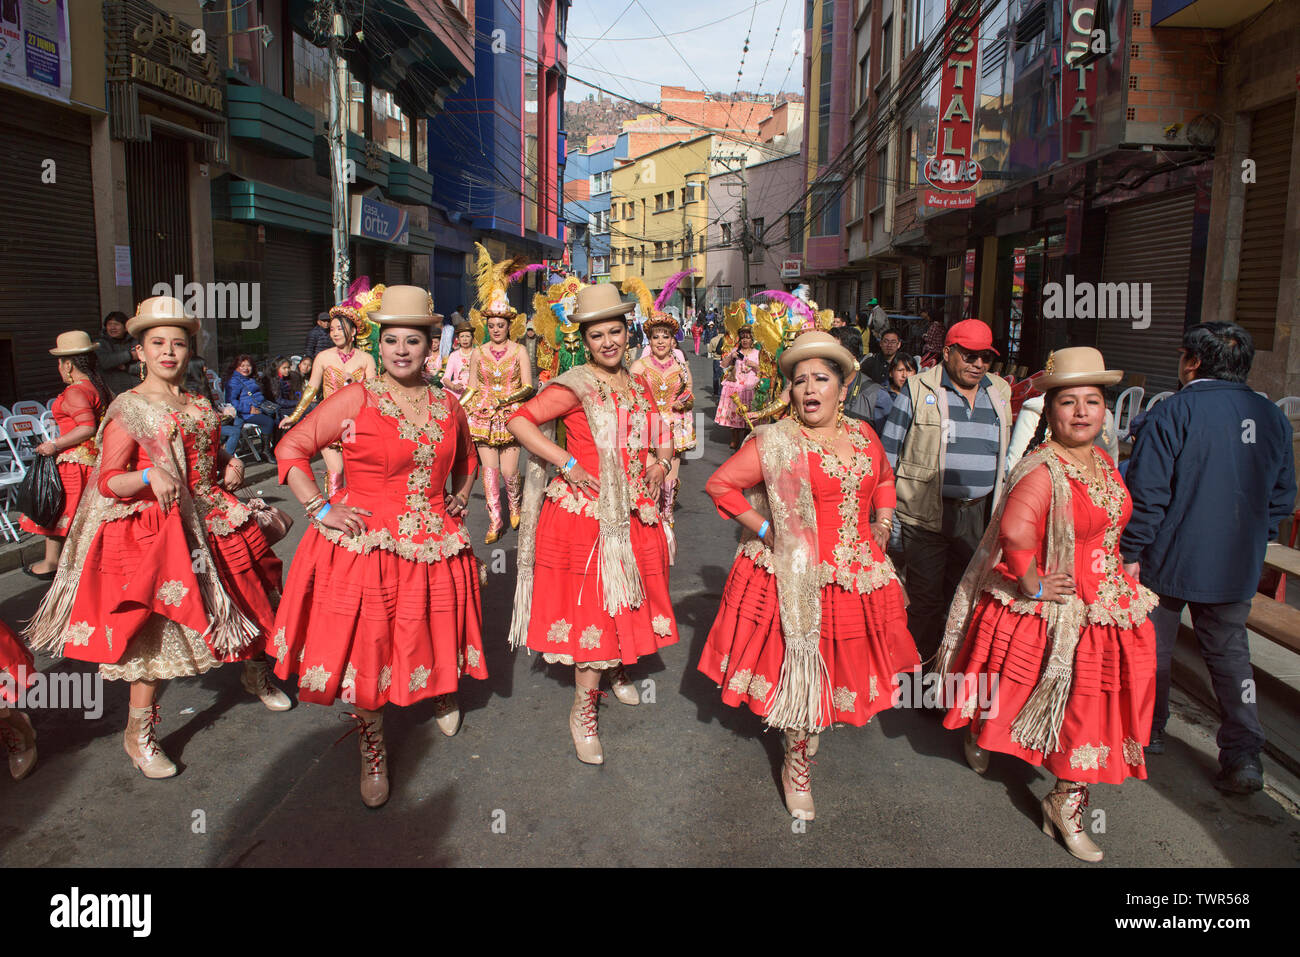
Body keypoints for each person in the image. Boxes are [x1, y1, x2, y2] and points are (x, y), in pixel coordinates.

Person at [25, 296, 290, 780]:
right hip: (164, 529)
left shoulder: (196, 401)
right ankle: (138, 733)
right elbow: (108, 480)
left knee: (250, 599)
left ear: (189, 352)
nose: (169, 352)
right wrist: (148, 477)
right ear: (139, 353)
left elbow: (205, 461)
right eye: (157, 344)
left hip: (215, 515)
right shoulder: (128, 407)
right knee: (156, 635)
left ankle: (255, 674)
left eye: (178, 344)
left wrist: (228, 465)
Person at [935, 347, 1156, 862]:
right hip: (1057, 602)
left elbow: (1111, 519)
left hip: (1105, 603)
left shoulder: (1103, 460)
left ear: (1105, 410)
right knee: (1031, 693)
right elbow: (1015, 530)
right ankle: (984, 736)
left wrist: (1117, 564)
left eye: (1093, 402)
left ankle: (1065, 800)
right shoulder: (1043, 467)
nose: (1081, 412)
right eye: (1069, 403)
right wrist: (1033, 585)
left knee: (1093, 706)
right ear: (1049, 412)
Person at [271, 286, 485, 808]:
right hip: (369, 543)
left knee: (432, 625)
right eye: (392, 340)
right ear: (379, 344)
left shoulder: (448, 404)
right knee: (372, 644)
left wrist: (458, 496)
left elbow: (469, 460)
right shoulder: (354, 398)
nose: (402, 350)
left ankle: (441, 689)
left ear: (431, 347)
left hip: (435, 542)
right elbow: (291, 449)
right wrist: (321, 507)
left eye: (414, 340)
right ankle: (373, 746)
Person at [700, 330, 917, 820]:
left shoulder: (863, 435)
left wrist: (883, 522)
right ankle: (795, 763)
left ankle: (809, 726)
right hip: (795, 578)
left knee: (835, 668)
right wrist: (767, 527)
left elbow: (884, 478)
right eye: (800, 381)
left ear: (844, 388)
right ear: (790, 392)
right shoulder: (776, 441)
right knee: (800, 671)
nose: (810, 389)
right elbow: (720, 484)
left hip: (856, 577)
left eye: (822, 378)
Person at [506, 282, 680, 765]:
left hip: (634, 512)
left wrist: (662, 464)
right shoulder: (574, 383)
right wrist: (565, 462)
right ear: (584, 341)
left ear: (629, 333)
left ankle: (618, 670)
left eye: (616, 331)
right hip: (587, 516)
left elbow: (661, 432)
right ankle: (583, 711)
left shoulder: (639, 382)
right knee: (596, 612)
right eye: (597, 334)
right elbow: (520, 421)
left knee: (627, 601)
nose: (608, 341)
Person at [1121, 322, 1296, 794]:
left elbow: (1147, 495)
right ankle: (1244, 756)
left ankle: (1147, 732)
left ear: (1193, 362)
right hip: (1236, 566)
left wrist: (1131, 551)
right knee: (1231, 658)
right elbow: (1282, 499)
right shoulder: (1272, 417)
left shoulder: (1172, 412)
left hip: (1168, 560)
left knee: (1152, 652)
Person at [881, 318, 1013, 660]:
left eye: (985, 357)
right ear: (948, 352)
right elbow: (887, 455)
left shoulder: (999, 391)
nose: (979, 364)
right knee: (926, 600)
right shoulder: (917, 388)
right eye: (969, 356)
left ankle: (948, 676)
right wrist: (885, 517)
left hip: (977, 515)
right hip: (924, 514)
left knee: (964, 597)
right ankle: (916, 676)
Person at [20, 331, 110, 579]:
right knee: (80, 516)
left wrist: (55, 444)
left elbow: (86, 427)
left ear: (68, 364)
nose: (59, 368)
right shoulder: (97, 387)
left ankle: (53, 563)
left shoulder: (75, 391)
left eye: (60, 363)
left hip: (74, 462)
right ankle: (61, 562)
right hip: (92, 461)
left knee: (59, 513)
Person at [281, 287, 380, 498]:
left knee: (357, 474)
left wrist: (359, 384)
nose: (334, 333)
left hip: (355, 423)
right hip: (329, 420)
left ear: (353, 332)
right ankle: (333, 514)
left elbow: (375, 393)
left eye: (339, 329)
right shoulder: (323, 357)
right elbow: (311, 389)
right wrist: (295, 416)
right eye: (332, 329)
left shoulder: (366, 359)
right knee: (336, 470)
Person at [463, 251, 535, 544]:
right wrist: (456, 406)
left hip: (510, 415)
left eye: (500, 325)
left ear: (509, 325)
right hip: (482, 417)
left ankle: (515, 505)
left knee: (509, 473)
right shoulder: (478, 353)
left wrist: (504, 401)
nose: (495, 329)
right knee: (489, 473)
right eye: (491, 325)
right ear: (487, 326)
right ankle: (495, 520)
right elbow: (470, 386)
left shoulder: (519, 351)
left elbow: (529, 387)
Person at [626, 279, 695, 562]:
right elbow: (630, 400)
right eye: (656, 337)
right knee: (646, 476)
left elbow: (690, 394)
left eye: (666, 336)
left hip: (675, 427)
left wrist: (684, 401)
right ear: (649, 340)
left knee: (669, 480)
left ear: (672, 339)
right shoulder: (638, 366)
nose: (661, 341)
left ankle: (667, 520)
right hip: (647, 429)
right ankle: (647, 521)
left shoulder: (681, 365)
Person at [223, 355, 277, 463]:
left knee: (278, 419)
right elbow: (231, 401)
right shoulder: (234, 381)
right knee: (268, 422)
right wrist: (248, 409)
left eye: (248, 365)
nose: (246, 368)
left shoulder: (251, 378)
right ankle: (265, 451)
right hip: (244, 412)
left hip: (259, 408)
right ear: (236, 367)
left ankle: (273, 448)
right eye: (242, 366)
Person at [715, 326, 761, 450]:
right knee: (735, 413)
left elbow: (765, 370)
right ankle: (734, 437)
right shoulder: (736, 351)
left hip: (750, 386)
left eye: (748, 338)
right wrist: (731, 356)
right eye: (743, 338)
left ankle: (747, 437)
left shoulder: (757, 353)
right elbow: (723, 365)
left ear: (752, 340)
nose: (745, 340)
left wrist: (754, 365)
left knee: (749, 413)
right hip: (736, 385)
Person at [873, 354, 918, 437]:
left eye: (909, 370)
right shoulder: (881, 396)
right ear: (891, 373)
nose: (904, 375)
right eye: (900, 370)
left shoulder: (919, 396)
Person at [96, 310, 139, 396]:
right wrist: (130, 355)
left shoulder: (135, 341)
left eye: (116, 324)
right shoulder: (100, 343)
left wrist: (127, 367)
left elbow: (145, 365)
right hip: (112, 393)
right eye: (109, 324)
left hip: (137, 390)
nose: (112, 328)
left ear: (126, 327)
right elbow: (105, 361)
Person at [263, 356, 303, 443]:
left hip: (286, 405)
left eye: (288, 367)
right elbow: (278, 400)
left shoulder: (290, 378)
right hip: (277, 408)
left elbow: (296, 392)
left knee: (306, 410)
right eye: (284, 368)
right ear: (277, 368)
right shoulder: (273, 380)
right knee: (299, 413)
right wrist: (297, 403)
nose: (287, 370)